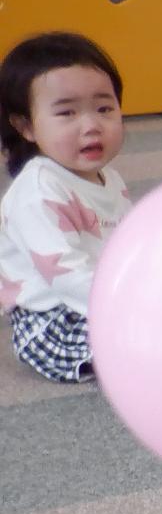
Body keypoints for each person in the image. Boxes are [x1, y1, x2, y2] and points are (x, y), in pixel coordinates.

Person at [0, 31, 131, 384]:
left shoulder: (109, 178)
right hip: (52, 318)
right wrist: (133, 308)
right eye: (67, 113)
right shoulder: (37, 192)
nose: (91, 126)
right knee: (146, 345)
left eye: (104, 108)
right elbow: (67, 276)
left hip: (103, 296)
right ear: (25, 126)